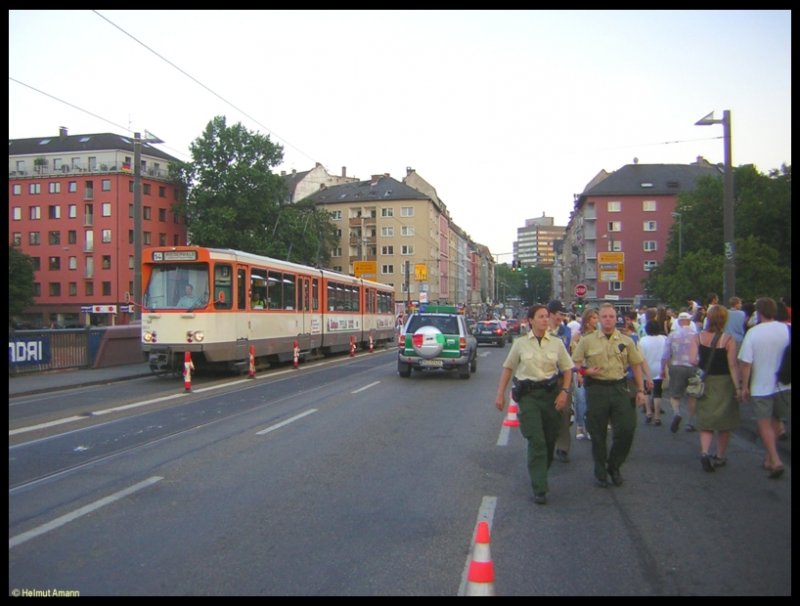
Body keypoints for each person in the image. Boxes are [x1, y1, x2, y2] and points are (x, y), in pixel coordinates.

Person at [494, 304, 573, 505]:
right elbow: (508, 368)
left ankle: (540, 471)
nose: (545, 320)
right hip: (529, 397)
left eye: (547, 316)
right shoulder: (520, 344)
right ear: (530, 320)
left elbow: (567, 369)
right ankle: (540, 487)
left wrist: (564, 391)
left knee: (549, 440)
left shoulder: (556, 343)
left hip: (551, 395)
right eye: (540, 316)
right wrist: (500, 395)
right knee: (536, 440)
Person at [571, 303, 648, 488]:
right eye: (604, 316)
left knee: (626, 429)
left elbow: (636, 364)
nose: (607, 319)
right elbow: (574, 363)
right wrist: (585, 372)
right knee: (597, 433)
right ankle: (600, 470)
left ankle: (614, 465)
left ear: (616, 319)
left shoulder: (626, 340)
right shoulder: (587, 340)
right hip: (597, 389)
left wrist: (641, 390)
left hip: (619, 388)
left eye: (611, 316)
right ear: (599, 319)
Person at [739, 297, 790, 479]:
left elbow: (746, 363)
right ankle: (769, 457)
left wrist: (744, 386)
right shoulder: (786, 329)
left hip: (761, 384)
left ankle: (775, 460)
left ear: (759, 313)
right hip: (784, 384)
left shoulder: (754, 333)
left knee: (764, 423)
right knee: (777, 420)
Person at [696, 305, 742, 472]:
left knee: (706, 420)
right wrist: (738, 387)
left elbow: (694, 360)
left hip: (706, 381)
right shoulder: (728, 340)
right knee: (724, 422)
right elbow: (732, 365)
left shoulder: (698, 337)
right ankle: (720, 455)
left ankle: (704, 452)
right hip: (724, 383)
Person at [661, 311, 700, 432]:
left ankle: (677, 413)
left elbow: (666, 354)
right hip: (693, 366)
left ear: (678, 321)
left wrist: (663, 368)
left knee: (675, 394)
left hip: (676, 366)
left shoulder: (673, 335)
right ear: (689, 321)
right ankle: (690, 422)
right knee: (692, 395)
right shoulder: (696, 335)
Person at [547, 300, 572, 463]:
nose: (562, 318)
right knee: (548, 413)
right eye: (559, 314)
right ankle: (548, 445)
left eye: (563, 315)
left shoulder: (566, 331)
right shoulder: (542, 330)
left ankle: (562, 447)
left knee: (564, 412)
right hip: (546, 377)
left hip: (563, 377)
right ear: (551, 314)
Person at [572, 307, 599, 441]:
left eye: (596, 318)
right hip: (580, 370)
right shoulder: (579, 335)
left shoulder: (598, 335)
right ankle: (580, 425)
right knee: (580, 399)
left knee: (591, 400)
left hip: (594, 371)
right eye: (593, 318)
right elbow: (574, 355)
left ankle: (590, 426)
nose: (596, 320)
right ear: (587, 320)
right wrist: (580, 373)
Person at [639, 320, 668, 426]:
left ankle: (648, 412)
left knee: (647, 391)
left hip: (647, 368)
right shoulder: (664, 339)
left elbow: (640, 356)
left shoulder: (643, 340)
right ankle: (657, 416)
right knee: (658, 392)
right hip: (659, 367)